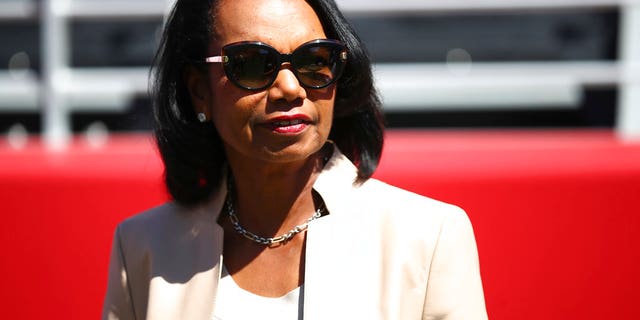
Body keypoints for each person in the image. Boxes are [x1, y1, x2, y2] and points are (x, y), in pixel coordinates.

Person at [102, 0, 487, 319]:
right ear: (199, 91)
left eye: (315, 59)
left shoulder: (429, 236)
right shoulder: (142, 246)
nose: (290, 87)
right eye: (252, 64)